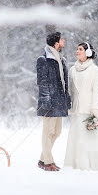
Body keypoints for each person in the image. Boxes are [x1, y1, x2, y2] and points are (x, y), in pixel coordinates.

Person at [64, 42, 98, 171]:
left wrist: (94, 109)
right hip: (76, 110)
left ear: (88, 53)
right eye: (77, 49)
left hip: (89, 110)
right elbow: (69, 90)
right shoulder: (72, 70)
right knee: (77, 138)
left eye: (80, 49)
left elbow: (96, 91)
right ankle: (77, 165)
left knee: (91, 138)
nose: (77, 51)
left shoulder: (94, 70)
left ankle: (97, 165)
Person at [36, 32, 71, 172]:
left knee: (57, 132)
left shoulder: (61, 60)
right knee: (47, 132)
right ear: (56, 43)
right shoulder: (43, 59)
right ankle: (48, 162)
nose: (64, 41)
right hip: (49, 102)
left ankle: (42, 159)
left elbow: (64, 83)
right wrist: (46, 101)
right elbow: (42, 83)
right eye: (62, 39)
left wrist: (66, 99)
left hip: (59, 102)